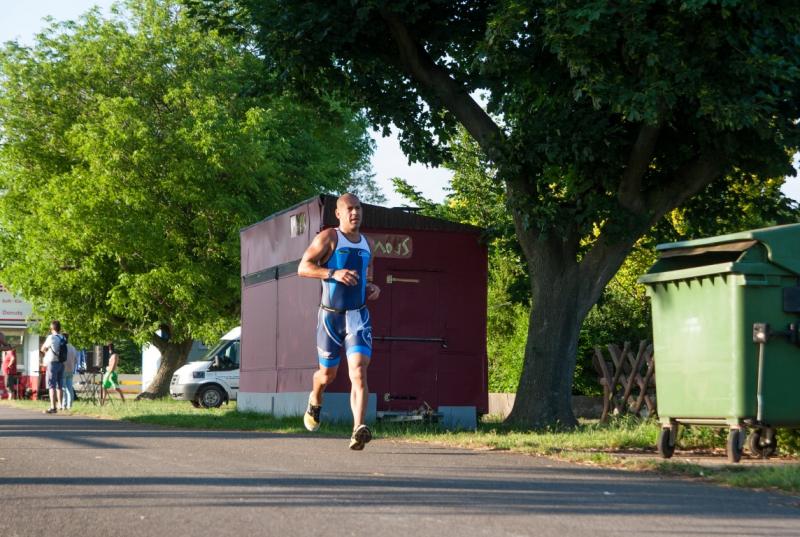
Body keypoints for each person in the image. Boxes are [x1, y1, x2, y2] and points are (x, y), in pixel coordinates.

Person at [298, 193, 381, 450]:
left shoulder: (368, 244)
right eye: (350, 209)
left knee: (359, 371)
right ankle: (315, 397)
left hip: (358, 317)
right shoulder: (329, 238)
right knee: (327, 375)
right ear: (338, 213)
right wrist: (333, 273)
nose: (355, 213)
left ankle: (358, 429)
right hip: (330, 318)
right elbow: (303, 267)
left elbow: (367, 276)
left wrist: (371, 287)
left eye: (359, 209)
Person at [40, 320, 66, 414]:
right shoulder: (63, 337)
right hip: (61, 363)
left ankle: (53, 407)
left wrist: (46, 352)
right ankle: (60, 405)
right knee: (60, 385)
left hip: (52, 363)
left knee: (52, 386)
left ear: (52, 328)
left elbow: (42, 349)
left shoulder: (51, 337)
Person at [61, 333, 78, 410]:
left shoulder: (62, 347)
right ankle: (69, 405)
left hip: (63, 369)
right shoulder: (73, 348)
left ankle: (63, 405)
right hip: (71, 369)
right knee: (69, 388)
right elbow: (76, 360)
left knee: (63, 388)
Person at [1, 333, 17, 399]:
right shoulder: (7, 352)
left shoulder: (10, 351)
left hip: (8, 371)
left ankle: (11, 398)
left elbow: (13, 358)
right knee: (8, 385)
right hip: (7, 372)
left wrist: (9, 366)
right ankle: (10, 398)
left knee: (8, 385)